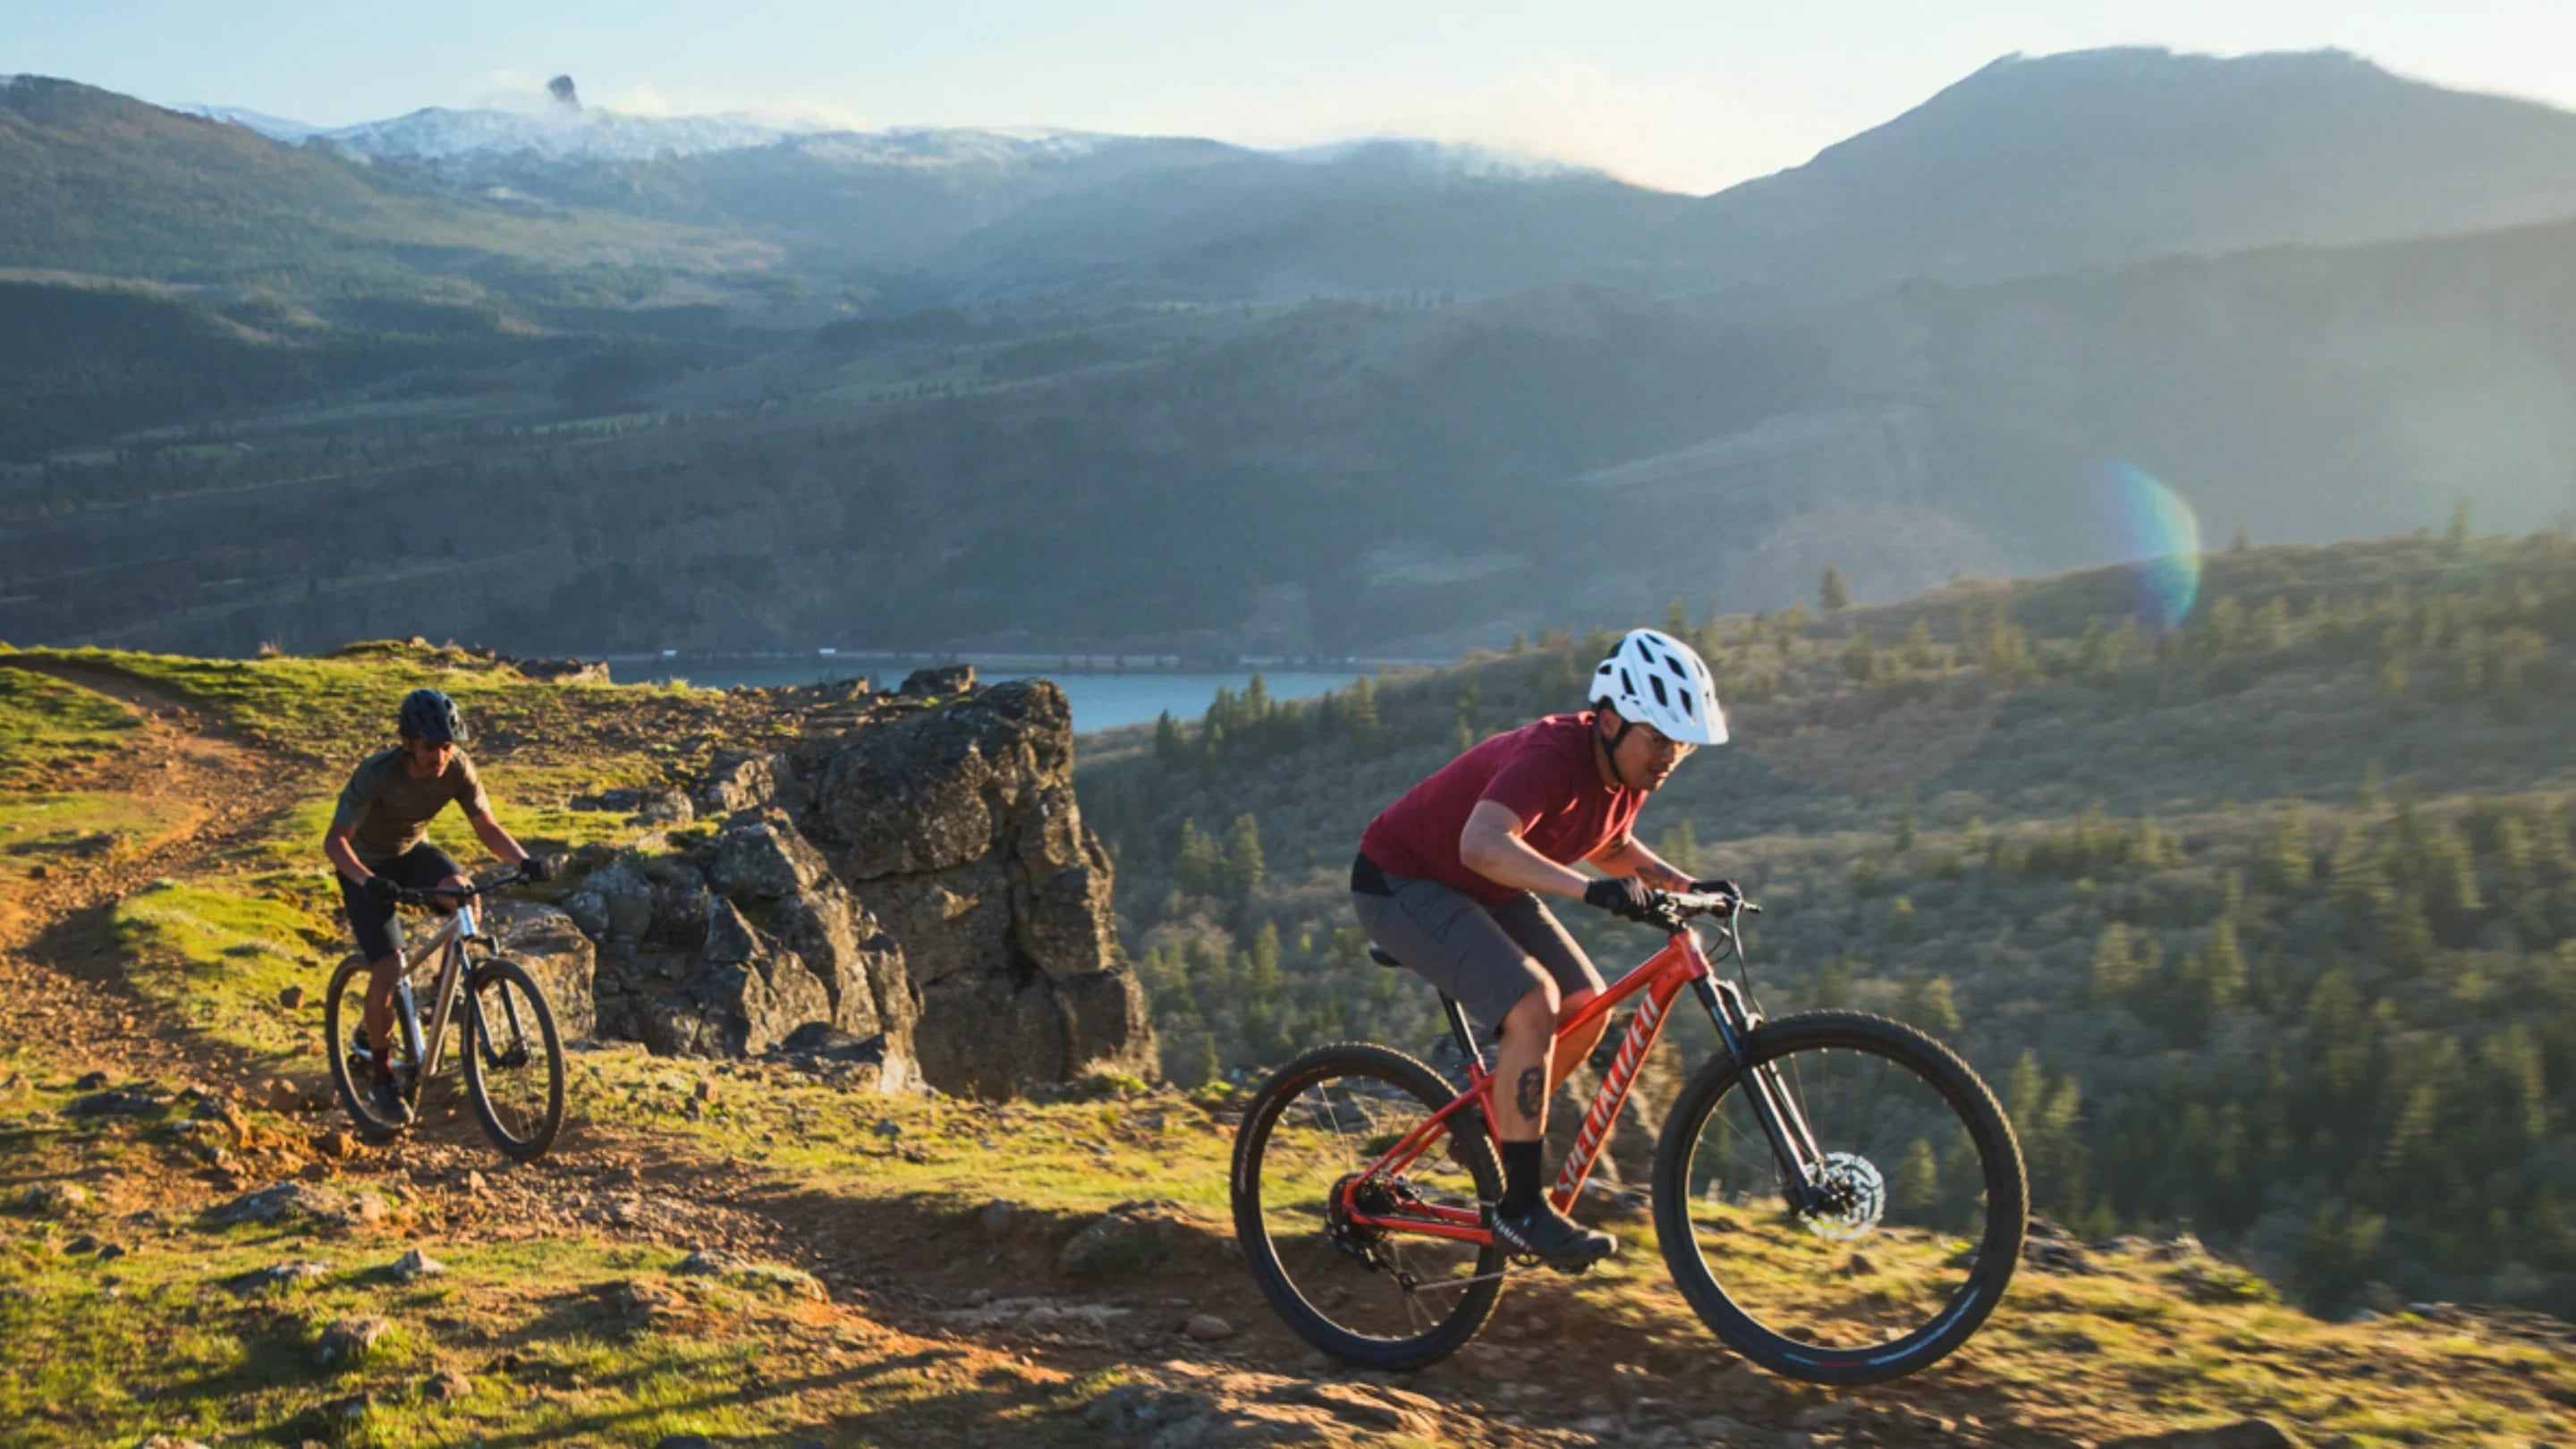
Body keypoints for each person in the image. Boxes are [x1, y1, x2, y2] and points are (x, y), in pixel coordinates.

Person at [1351, 629, 1733, 1267]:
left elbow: (1607, 840)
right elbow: (1481, 843)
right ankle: (1520, 1209)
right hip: (1401, 881)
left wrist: (1686, 887)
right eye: (1660, 739)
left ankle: (1492, 1129)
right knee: (1534, 1003)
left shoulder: (1628, 772)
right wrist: (1592, 892)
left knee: (1586, 1007)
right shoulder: (1552, 755)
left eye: (1684, 743)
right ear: (1609, 720)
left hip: (1484, 888)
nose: (1671, 756)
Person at [323, 688, 546, 1123]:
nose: (440, 757)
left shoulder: (458, 769)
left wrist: (523, 861)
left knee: (466, 897)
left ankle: (446, 994)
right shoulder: (377, 774)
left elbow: (488, 826)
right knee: (387, 969)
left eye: (447, 747)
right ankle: (383, 1078)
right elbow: (335, 842)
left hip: (412, 854)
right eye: (430, 747)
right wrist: (368, 882)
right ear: (408, 743)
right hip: (365, 869)